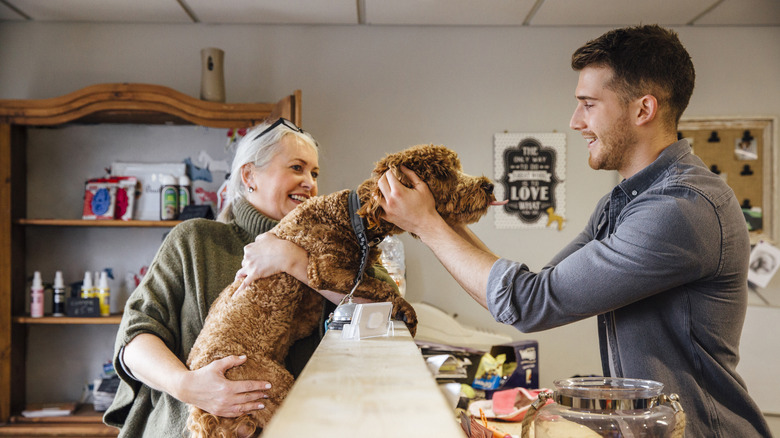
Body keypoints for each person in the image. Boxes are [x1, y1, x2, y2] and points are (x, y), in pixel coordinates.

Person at [377, 25, 771, 437]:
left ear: (643, 110)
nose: (575, 121)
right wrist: (439, 222)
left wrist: (428, 224)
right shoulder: (622, 204)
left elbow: (528, 303)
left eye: (588, 104)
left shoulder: (681, 209)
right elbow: (530, 293)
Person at [104, 118, 397, 437]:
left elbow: (387, 314)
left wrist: (294, 260)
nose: (309, 183)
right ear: (249, 175)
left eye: (314, 173)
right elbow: (135, 337)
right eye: (296, 168)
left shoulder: (335, 250)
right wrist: (187, 386)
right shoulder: (195, 240)